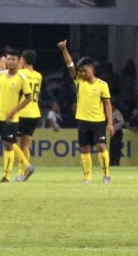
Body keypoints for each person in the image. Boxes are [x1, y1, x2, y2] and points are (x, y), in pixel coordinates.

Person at [57, 39, 114, 183]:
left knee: (102, 147)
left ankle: (106, 175)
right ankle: (87, 177)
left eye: (84, 70)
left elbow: (107, 104)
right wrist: (64, 50)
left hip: (99, 121)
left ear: (92, 69)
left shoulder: (102, 85)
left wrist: (110, 123)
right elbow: (69, 65)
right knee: (84, 149)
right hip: (82, 121)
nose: (81, 73)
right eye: (80, 71)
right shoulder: (79, 81)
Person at [0, 48, 34, 183]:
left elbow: (28, 98)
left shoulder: (22, 79)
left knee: (8, 145)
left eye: (13, 60)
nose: (10, 62)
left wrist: (14, 111)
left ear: (18, 62)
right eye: (8, 59)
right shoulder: (1, 75)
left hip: (11, 117)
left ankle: (6, 176)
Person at [15, 50, 43, 181]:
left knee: (9, 141)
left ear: (23, 61)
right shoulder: (38, 75)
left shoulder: (20, 74)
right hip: (35, 113)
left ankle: (26, 167)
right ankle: (22, 173)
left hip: (22, 112)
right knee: (25, 145)